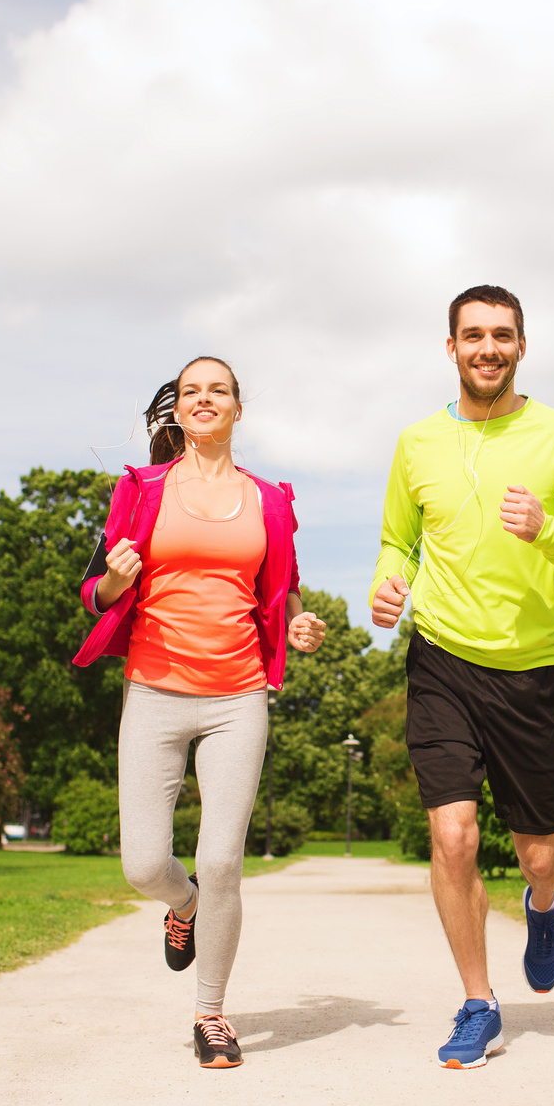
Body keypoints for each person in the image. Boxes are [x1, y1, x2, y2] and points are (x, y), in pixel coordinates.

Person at [369, 286, 554, 1068]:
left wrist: (548, 530)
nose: (487, 348)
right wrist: (386, 583)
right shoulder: (415, 443)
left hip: (530, 668)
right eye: (472, 335)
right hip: (441, 656)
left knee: (539, 851)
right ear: (451, 348)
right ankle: (478, 1002)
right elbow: (395, 542)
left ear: (520, 346)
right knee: (452, 835)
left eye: (501, 336)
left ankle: (542, 905)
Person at [73, 355, 327, 1068]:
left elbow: (287, 590)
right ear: (178, 413)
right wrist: (112, 582)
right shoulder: (140, 491)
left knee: (222, 860)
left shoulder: (269, 502)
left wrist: (300, 626)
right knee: (145, 864)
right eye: (192, 392)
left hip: (237, 695)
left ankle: (212, 1014)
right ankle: (180, 907)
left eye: (219, 390)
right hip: (153, 691)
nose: (205, 399)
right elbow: (91, 591)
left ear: (237, 410)